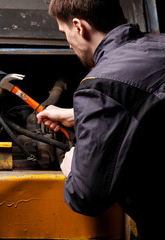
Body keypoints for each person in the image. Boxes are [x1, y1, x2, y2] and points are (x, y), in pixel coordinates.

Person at [37, 0, 165, 238]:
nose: (68, 43)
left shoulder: (99, 85)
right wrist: (78, 114)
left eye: (64, 32)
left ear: (78, 26)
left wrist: (73, 165)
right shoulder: (159, 47)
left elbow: (88, 197)